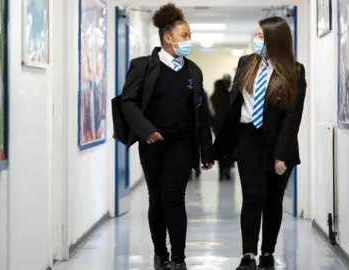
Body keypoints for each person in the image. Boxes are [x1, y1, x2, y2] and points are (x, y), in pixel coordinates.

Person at [119, 3, 214, 270]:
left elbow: (201, 112)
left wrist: (207, 151)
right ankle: (160, 252)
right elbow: (128, 102)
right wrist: (145, 130)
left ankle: (179, 258)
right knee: (156, 198)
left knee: (175, 197)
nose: (188, 41)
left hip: (182, 143)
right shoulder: (143, 67)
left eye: (190, 35)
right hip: (153, 143)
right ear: (168, 38)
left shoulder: (193, 71)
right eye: (185, 36)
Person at [211, 16, 307, 270]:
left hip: (279, 142)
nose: (256, 40)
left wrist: (281, 155)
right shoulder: (246, 64)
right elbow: (234, 106)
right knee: (252, 197)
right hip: (248, 137)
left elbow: (292, 117)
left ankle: (267, 252)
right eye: (255, 35)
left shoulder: (295, 71)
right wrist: (218, 147)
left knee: (273, 201)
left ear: (276, 40)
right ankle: (248, 255)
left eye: (261, 36)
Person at [210, 74, 234, 180]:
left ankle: (221, 170)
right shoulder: (228, 96)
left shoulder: (214, 96)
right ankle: (227, 169)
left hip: (217, 124)